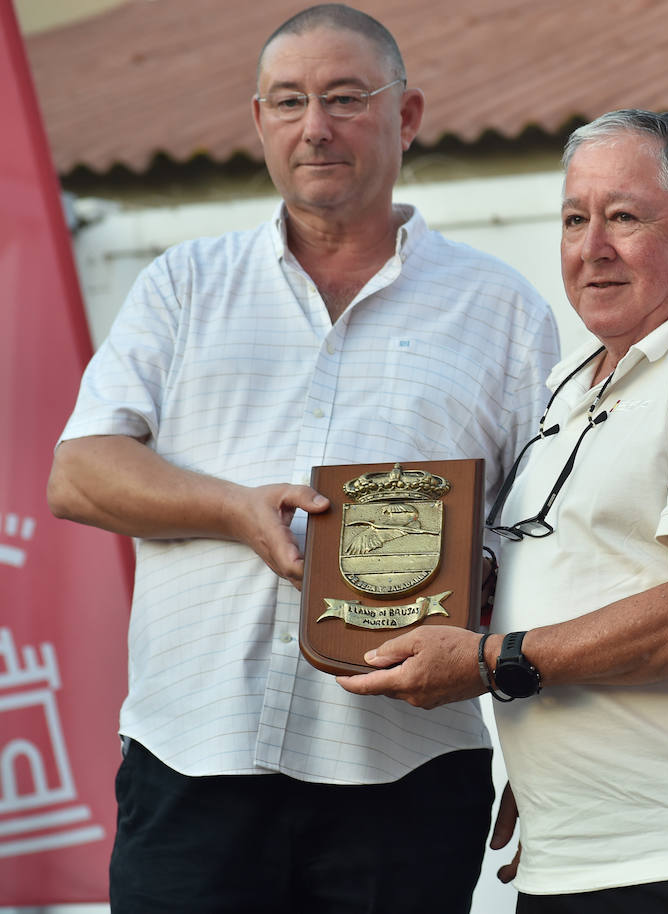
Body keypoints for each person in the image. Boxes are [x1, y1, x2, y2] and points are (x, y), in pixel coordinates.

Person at [45, 5, 558, 912]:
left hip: (406, 771)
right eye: (289, 101)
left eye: (345, 98)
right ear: (258, 122)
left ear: (407, 118)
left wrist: (537, 733)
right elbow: (79, 471)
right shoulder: (184, 284)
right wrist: (236, 510)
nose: (314, 127)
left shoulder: (503, 311)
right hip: (194, 754)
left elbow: (543, 546)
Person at [341, 109, 668, 913]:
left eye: (624, 217)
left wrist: (487, 660)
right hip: (575, 852)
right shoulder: (568, 387)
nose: (591, 247)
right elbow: (577, 579)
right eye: (576, 219)